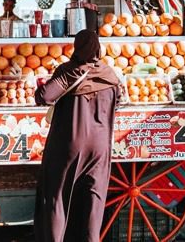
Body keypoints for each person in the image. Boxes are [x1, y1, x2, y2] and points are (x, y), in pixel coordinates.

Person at [33, 29, 120, 242]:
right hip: (100, 146)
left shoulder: (70, 70)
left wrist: (40, 86)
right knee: (94, 199)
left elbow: (45, 96)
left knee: (58, 196)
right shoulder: (110, 74)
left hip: (70, 143)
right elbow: (117, 103)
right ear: (98, 48)